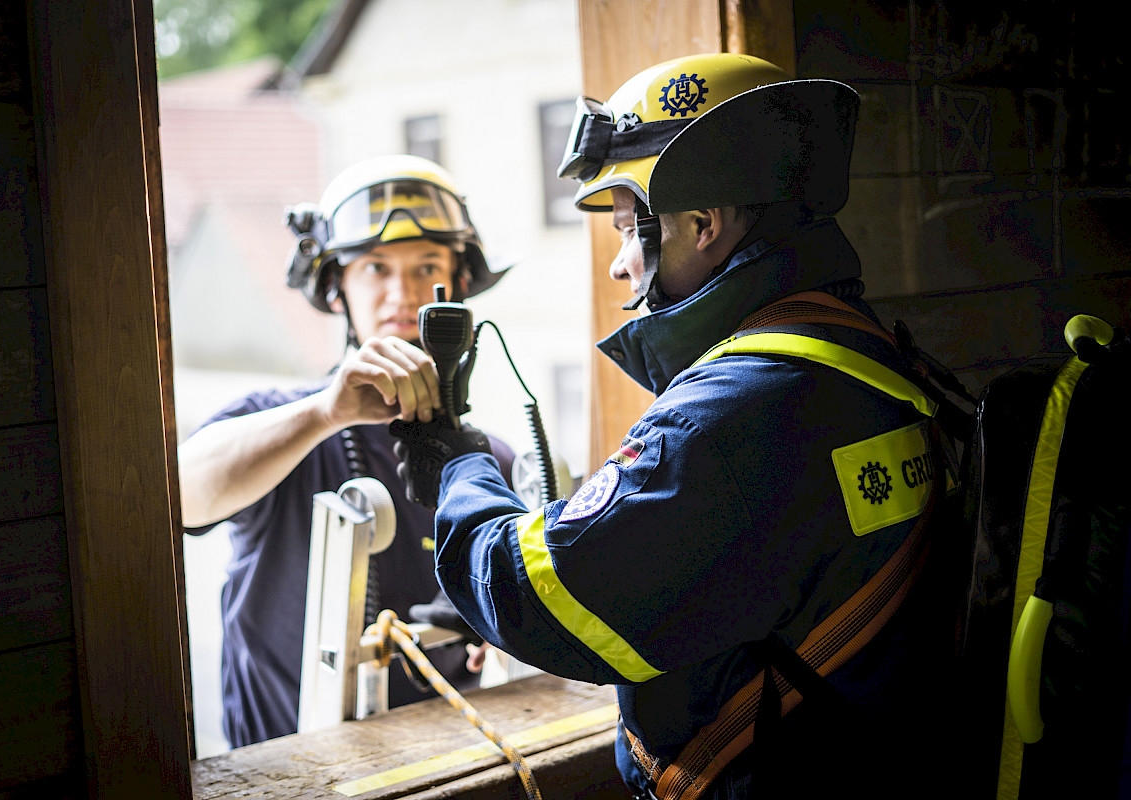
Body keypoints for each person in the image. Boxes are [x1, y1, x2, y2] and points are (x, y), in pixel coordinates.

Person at [389, 54, 960, 798]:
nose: (620, 267)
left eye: (629, 228)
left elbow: (543, 593)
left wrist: (458, 470)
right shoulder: (861, 353)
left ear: (701, 223)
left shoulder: (735, 414)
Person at [179, 154, 515, 749]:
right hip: (283, 780)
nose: (402, 293)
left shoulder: (493, 464)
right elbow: (181, 496)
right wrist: (324, 414)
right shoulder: (282, 425)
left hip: (444, 774)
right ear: (337, 289)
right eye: (375, 268)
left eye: (427, 266)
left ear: (458, 286)